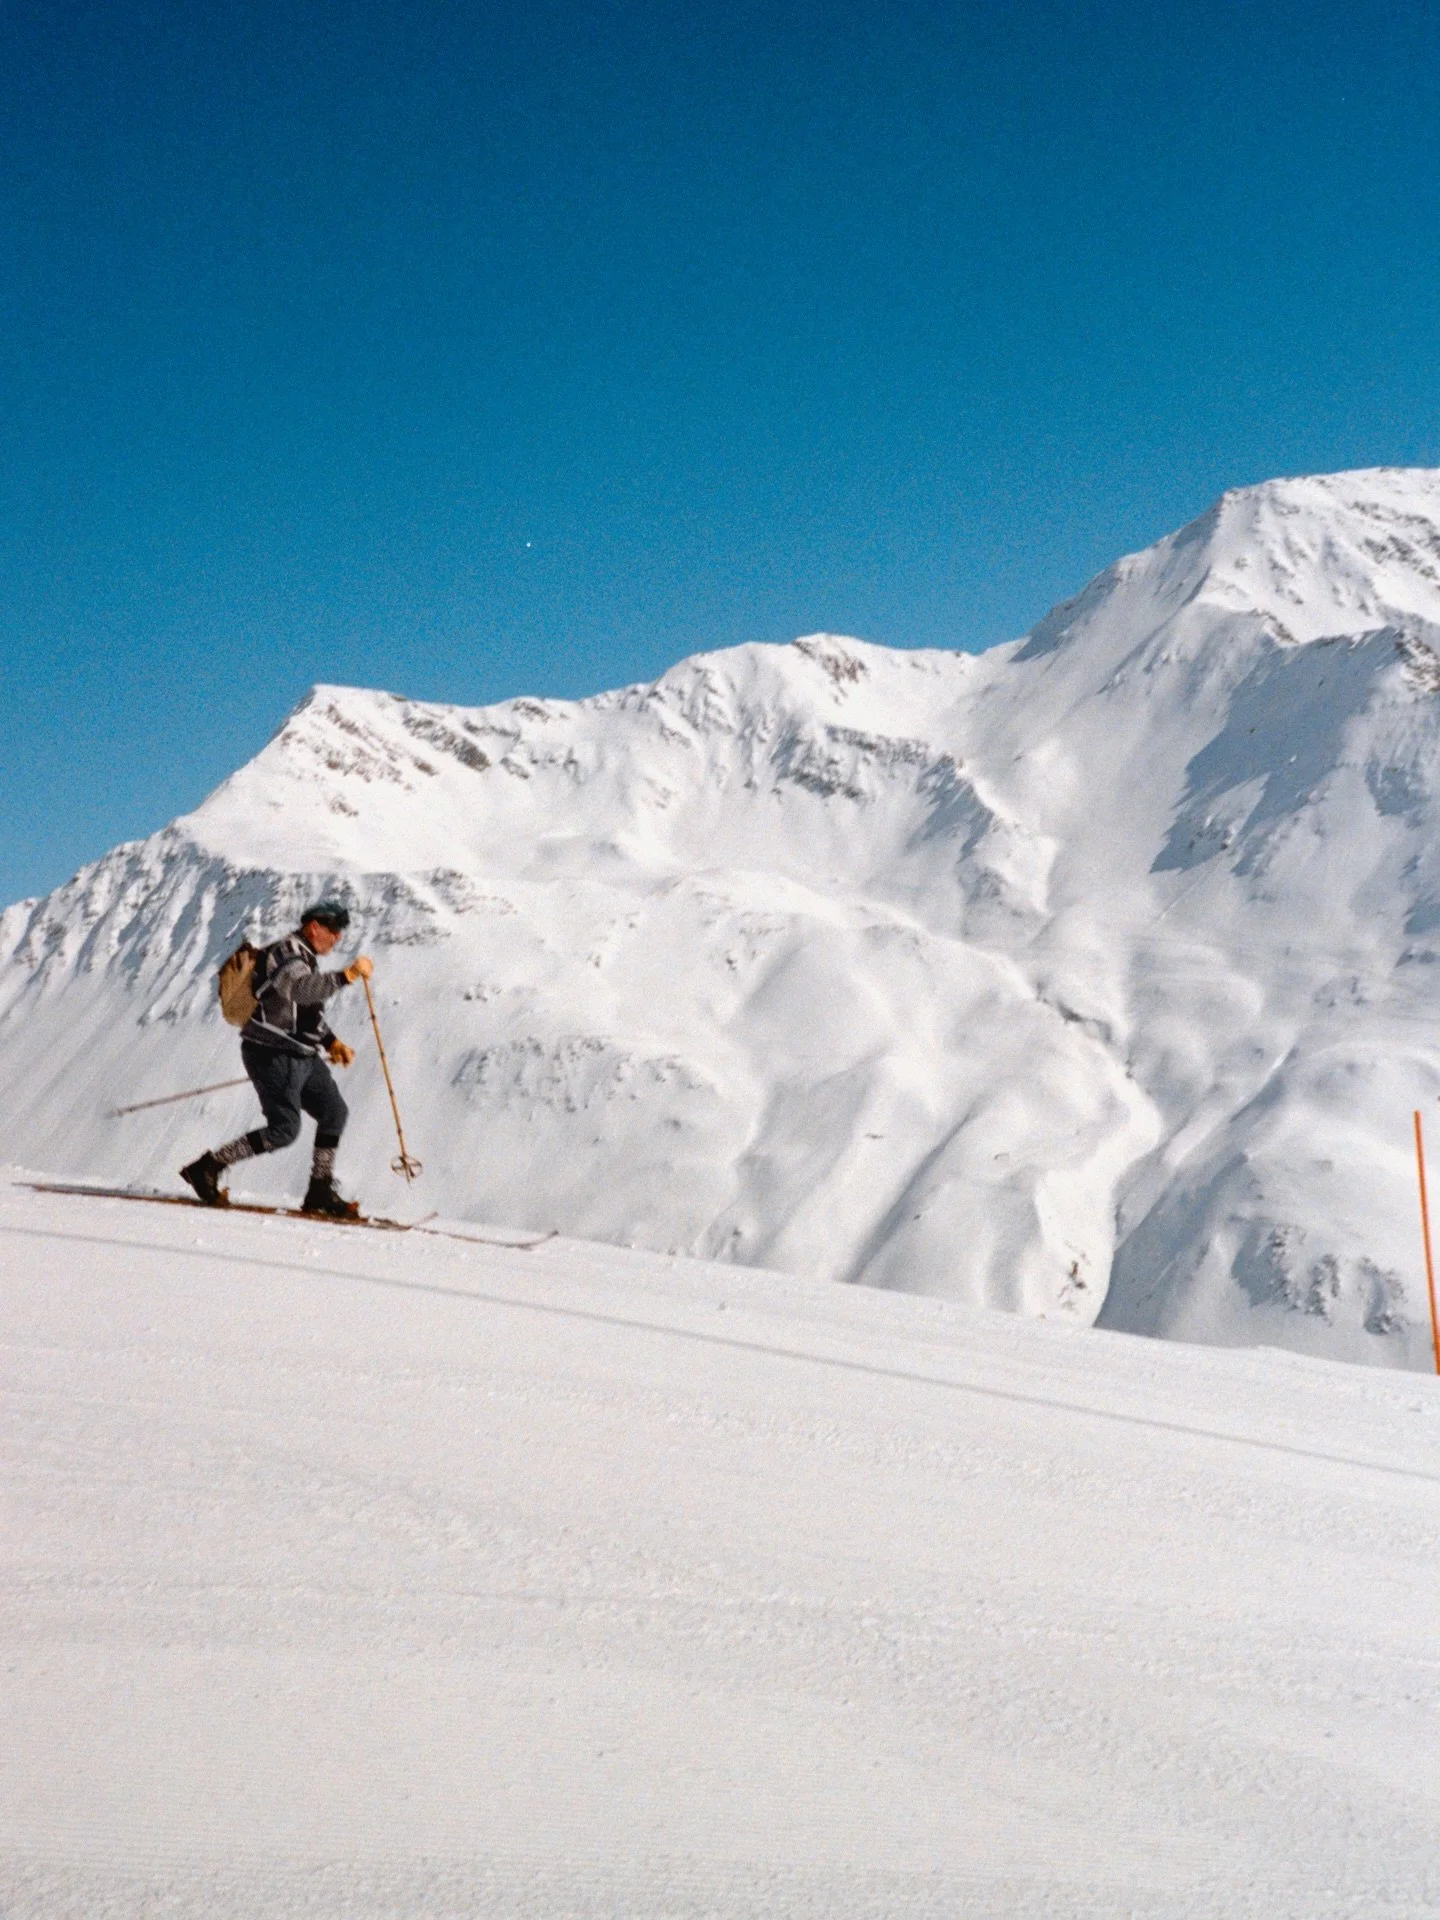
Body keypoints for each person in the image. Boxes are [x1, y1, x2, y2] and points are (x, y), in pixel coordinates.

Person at [180, 901, 374, 1217]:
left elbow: (303, 1012)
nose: (337, 937)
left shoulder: (303, 956)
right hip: (272, 1054)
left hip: (302, 1056)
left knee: (333, 1112)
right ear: (314, 927)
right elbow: (300, 991)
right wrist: (346, 976)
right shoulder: (286, 954)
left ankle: (320, 1189)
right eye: (333, 930)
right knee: (284, 1130)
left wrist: (331, 1042)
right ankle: (209, 1166)